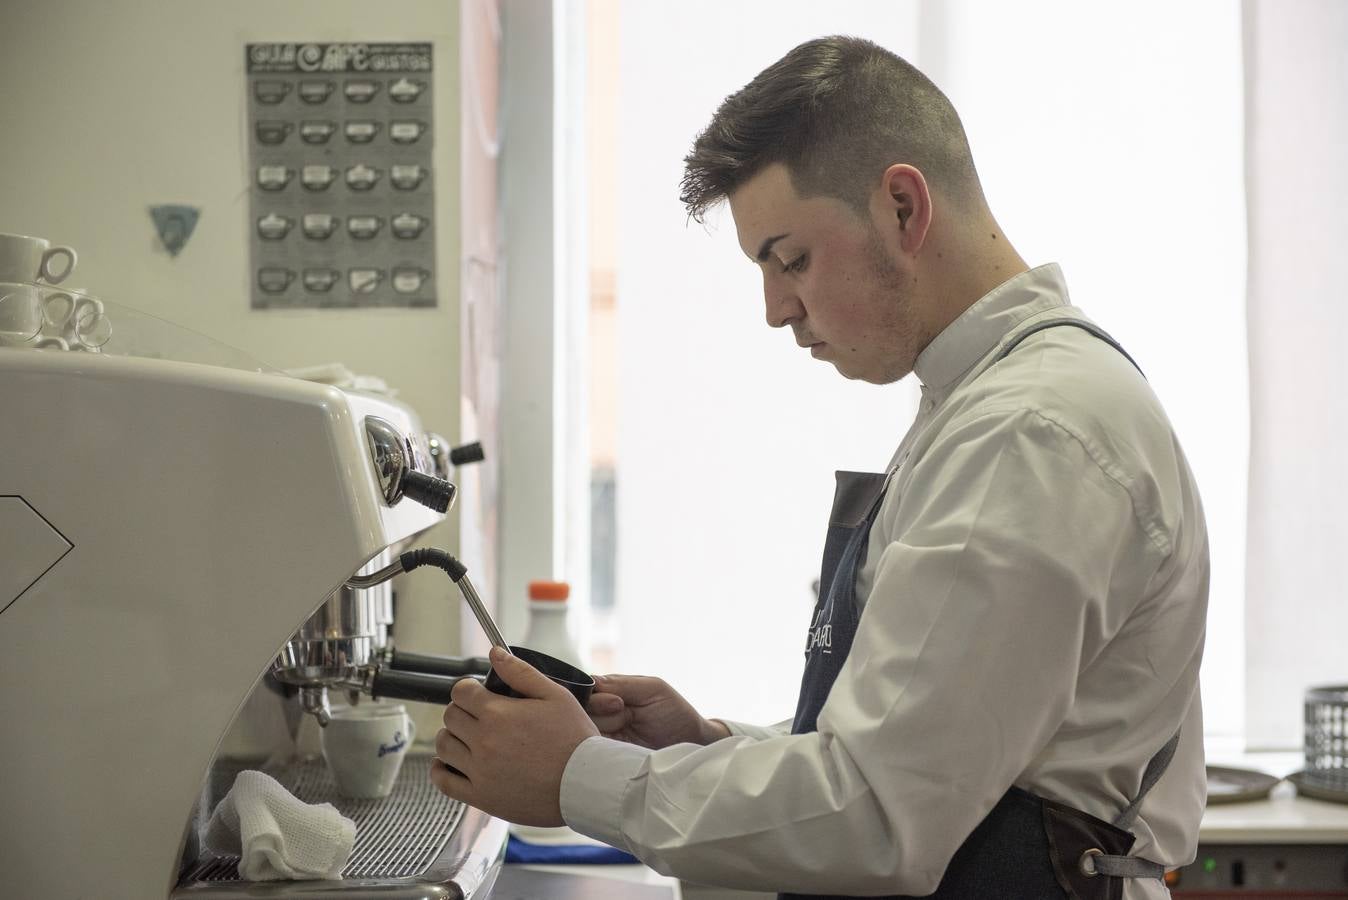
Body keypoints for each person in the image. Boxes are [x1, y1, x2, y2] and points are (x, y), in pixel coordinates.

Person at [429, 35, 1208, 900]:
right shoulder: (992, 404)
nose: (775, 310)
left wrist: (580, 777)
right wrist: (706, 746)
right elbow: (924, 755)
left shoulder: (1028, 434)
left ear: (904, 209)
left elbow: (880, 819)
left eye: (790, 259)